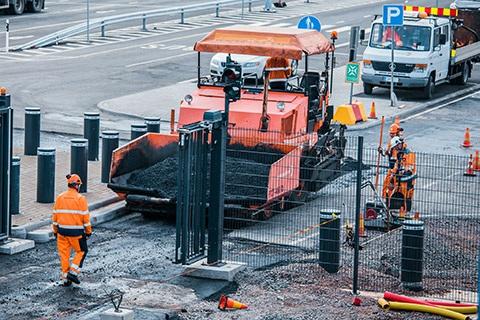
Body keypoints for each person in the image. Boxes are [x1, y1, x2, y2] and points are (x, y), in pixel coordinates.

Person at [52, 174, 92, 286]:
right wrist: (88, 231)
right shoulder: (81, 199)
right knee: (82, 251)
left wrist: (55, 230)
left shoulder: (60, 197)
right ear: (76, 185)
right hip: (76, 234)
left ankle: (65, 279)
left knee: (64, 254)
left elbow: (55, 217)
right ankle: (73, 273)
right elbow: (85, 218)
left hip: (61, 232)